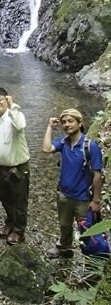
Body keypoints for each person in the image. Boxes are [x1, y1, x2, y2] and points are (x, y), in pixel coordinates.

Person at [42, 109, 103, 258]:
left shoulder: (90, 146)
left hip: (82, 198)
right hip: (64, 194)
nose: (67, 125)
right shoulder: (64, 142)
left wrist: (96, 200)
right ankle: (65, 249)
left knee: (87, 230)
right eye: (64, 122)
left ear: (80, 123)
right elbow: (46, 148)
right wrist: (50, 127)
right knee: (64, 224)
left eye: (70, 121)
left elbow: (97, 175)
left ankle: (91, 261)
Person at [0, 87, 29, 245]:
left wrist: (13, 106)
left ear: (7, 99)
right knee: (5, 198)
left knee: (20, 200)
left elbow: (19, 126)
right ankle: (10, 223)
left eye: (0, 99)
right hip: (2, 168)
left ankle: (19, 231)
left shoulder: (15, 115)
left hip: (18, 167)